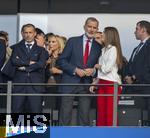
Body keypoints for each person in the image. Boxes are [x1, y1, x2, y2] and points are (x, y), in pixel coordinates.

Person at [57, 17, 102, 126]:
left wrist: (93, 71)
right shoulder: (73, 41)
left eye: (94, 27)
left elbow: (99, 67)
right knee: (65, 114)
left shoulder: (99, 47)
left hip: (86, 85)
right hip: (69, 82)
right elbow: (61, 61)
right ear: (84, 27)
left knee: (84, 116)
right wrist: (75, 70)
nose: (91, 29)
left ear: (97, 29)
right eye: (89, 26)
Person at [10, 23, 48, 113]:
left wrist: (24, 67)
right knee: (16, 110)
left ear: (35, 33)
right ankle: (15, 128)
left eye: (30, 32)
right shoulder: (16, 47)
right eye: (25, 32)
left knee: (36, 111)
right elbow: (14, 61)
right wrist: (28, 62)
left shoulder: (41, 50)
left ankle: (36, 128)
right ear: (22, 33)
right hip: (19, 84)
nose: (28, 35)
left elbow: (41, 64)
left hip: (35, 85)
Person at [90, 27, 123, 126]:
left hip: (111, 84)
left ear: (109, 35)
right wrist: (95, 82)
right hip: (102, 83)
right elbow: (102, 72)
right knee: (101, 113)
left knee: (110, 114)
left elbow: (107, 68)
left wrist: (97, 66)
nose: (101, 35)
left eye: (103, 33)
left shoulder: (113, 49)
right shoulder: (104, 49)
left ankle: (111, 135)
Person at [124, 20, 150, 125]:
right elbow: (131, 65)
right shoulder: (136, 48)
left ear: (143, 30)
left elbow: (147, 65)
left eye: (136, 29)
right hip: (134, 88)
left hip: (146, 87)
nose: (134, 32)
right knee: (134, 116)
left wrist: (134, 77)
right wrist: (127, 76)